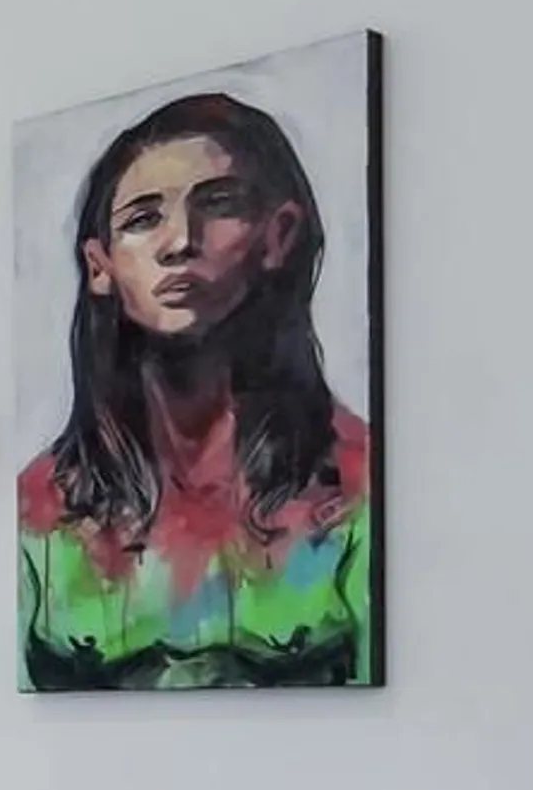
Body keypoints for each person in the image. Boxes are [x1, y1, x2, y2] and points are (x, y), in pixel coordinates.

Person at [20, 89, 373, 690]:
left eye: (220, 204)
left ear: (278, 235)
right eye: (142, 218)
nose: (180, 241)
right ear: (100, 265)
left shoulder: (360, 485)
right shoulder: (42, 509)